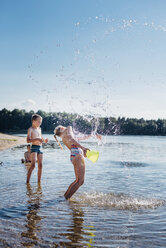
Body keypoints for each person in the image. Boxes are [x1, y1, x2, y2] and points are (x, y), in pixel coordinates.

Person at [54, 125, 101, 200]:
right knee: (80, 181)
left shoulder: (63, 137)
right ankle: (66, 198)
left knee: (78, 180)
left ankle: (65, 197)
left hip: (74, 155)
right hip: (77, 154)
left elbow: (78, 139)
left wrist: (93, 135)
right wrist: (83, 148)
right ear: (62, 128)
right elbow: (72, 139)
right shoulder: (68, 128)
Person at [26, 114, 48, 184]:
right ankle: (27, 181)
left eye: (40, 122)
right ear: (33, 121)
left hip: (40, 147)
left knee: (40, 165)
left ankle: (39, 181)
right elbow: (28, 140)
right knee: (33, 165)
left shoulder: (39, 129)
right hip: (34, 148)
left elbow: (41, 138)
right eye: (38, 121)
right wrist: (37, 139)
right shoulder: (30, 129)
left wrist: (44, 140)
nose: (40, 123)